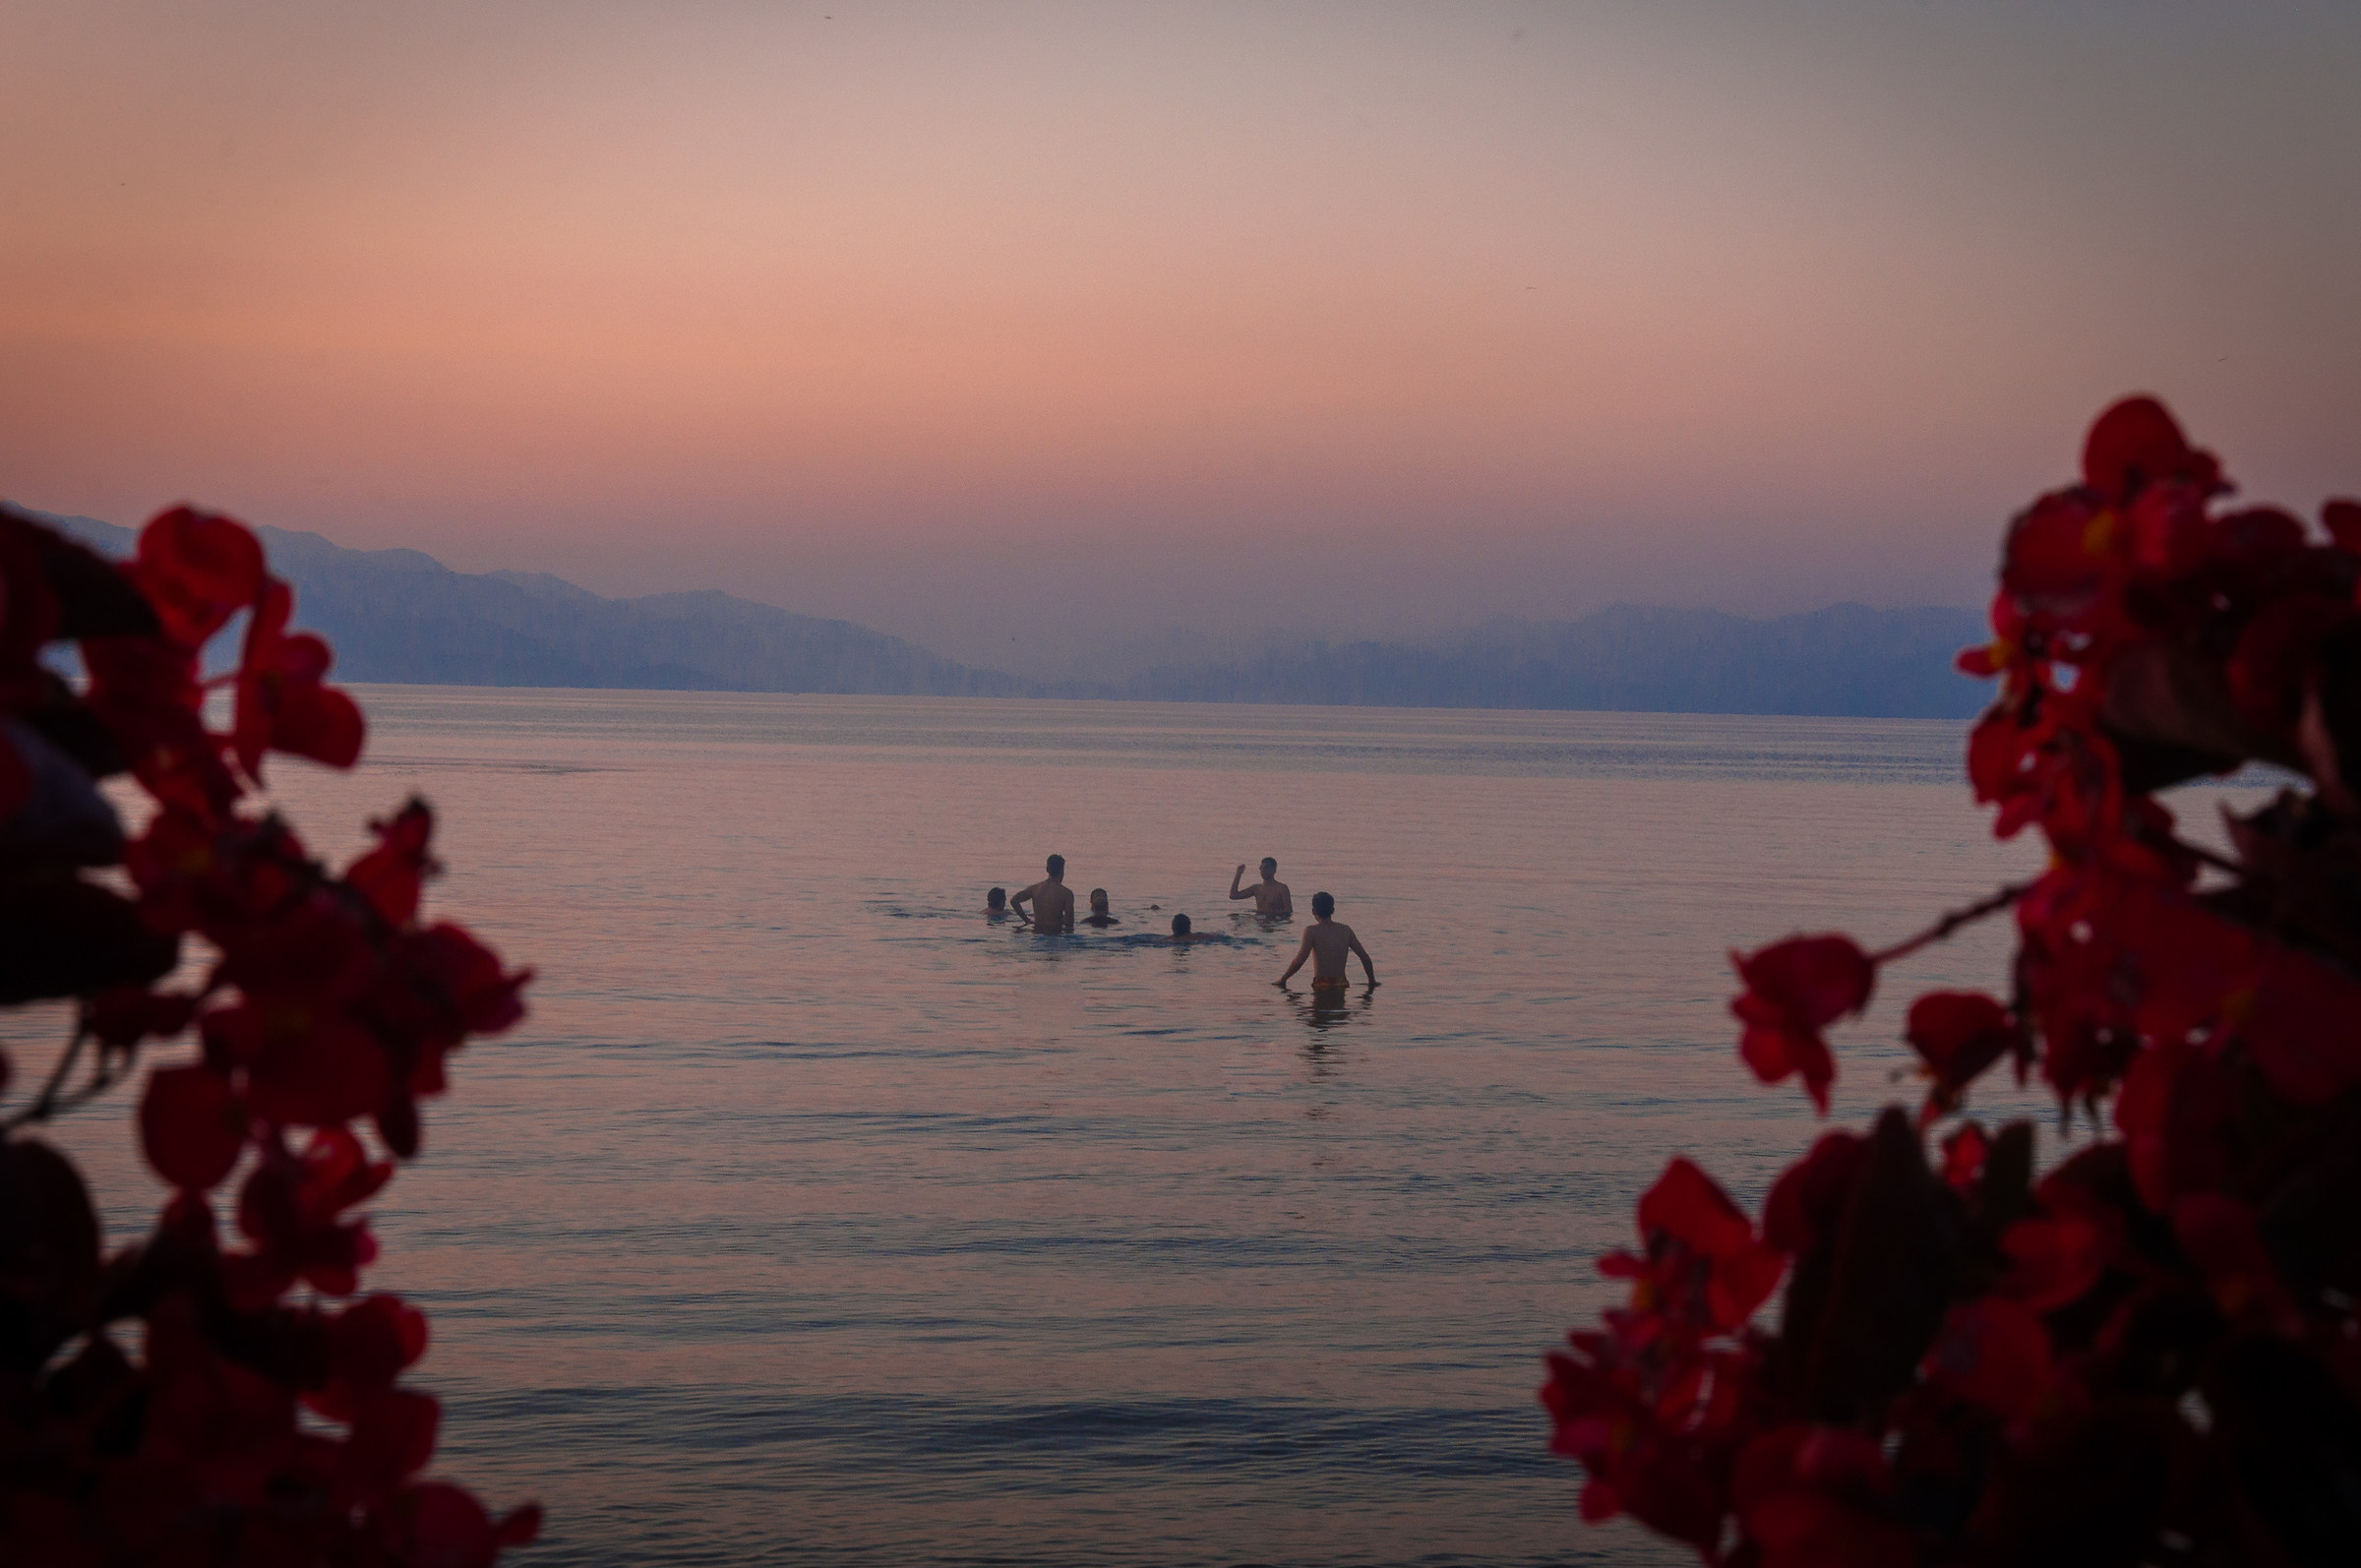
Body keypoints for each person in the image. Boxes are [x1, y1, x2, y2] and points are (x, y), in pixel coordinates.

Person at [1277, 891, 1375, 992]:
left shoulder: (1311, 931)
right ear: (1333, 910)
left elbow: (1299, 961)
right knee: (1339, 1006)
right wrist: (1372, 981)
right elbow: (1365, 958)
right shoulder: (1345, 930)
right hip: (1341, 982)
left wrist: (1283, 979)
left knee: (1317, 1006)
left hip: (1321, 983)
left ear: (1313, 911)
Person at [1010, 855, 1075, 933]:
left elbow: (1014, 900)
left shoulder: (1034, 889)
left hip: (1037, 933)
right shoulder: (1066, 893)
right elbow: (1069, 924)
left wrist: (1027, 920)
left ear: (1047, 869)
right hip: (1054, 934)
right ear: (1062, 870)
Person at [1229, 857, 1294, 918]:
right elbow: (1233, 896)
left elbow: (1288, 911)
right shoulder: (1256, 889)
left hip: (1274, 922)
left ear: (1274, 870)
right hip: (1259, 922)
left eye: (1266, 868)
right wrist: (1238, 874)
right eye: (1261, 868)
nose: (1263, 870)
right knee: (1233, 917)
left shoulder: (1281, 888)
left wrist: (1270, 914)